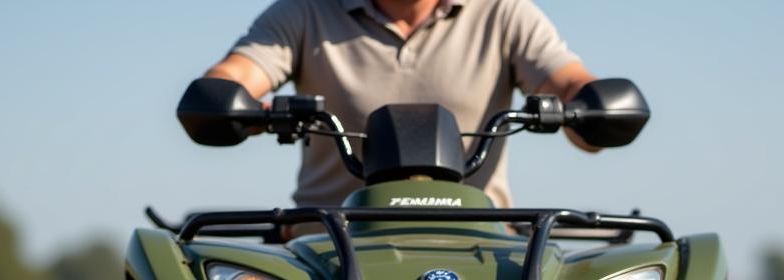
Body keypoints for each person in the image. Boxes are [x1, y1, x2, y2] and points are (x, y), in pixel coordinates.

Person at [203, 0, 597, 209]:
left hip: (479, 238)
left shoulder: (504, 12)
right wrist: (230, 101)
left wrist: (592, 106)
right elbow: (236, 76)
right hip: (328, 243)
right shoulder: (305, 11)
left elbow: (567, 83)